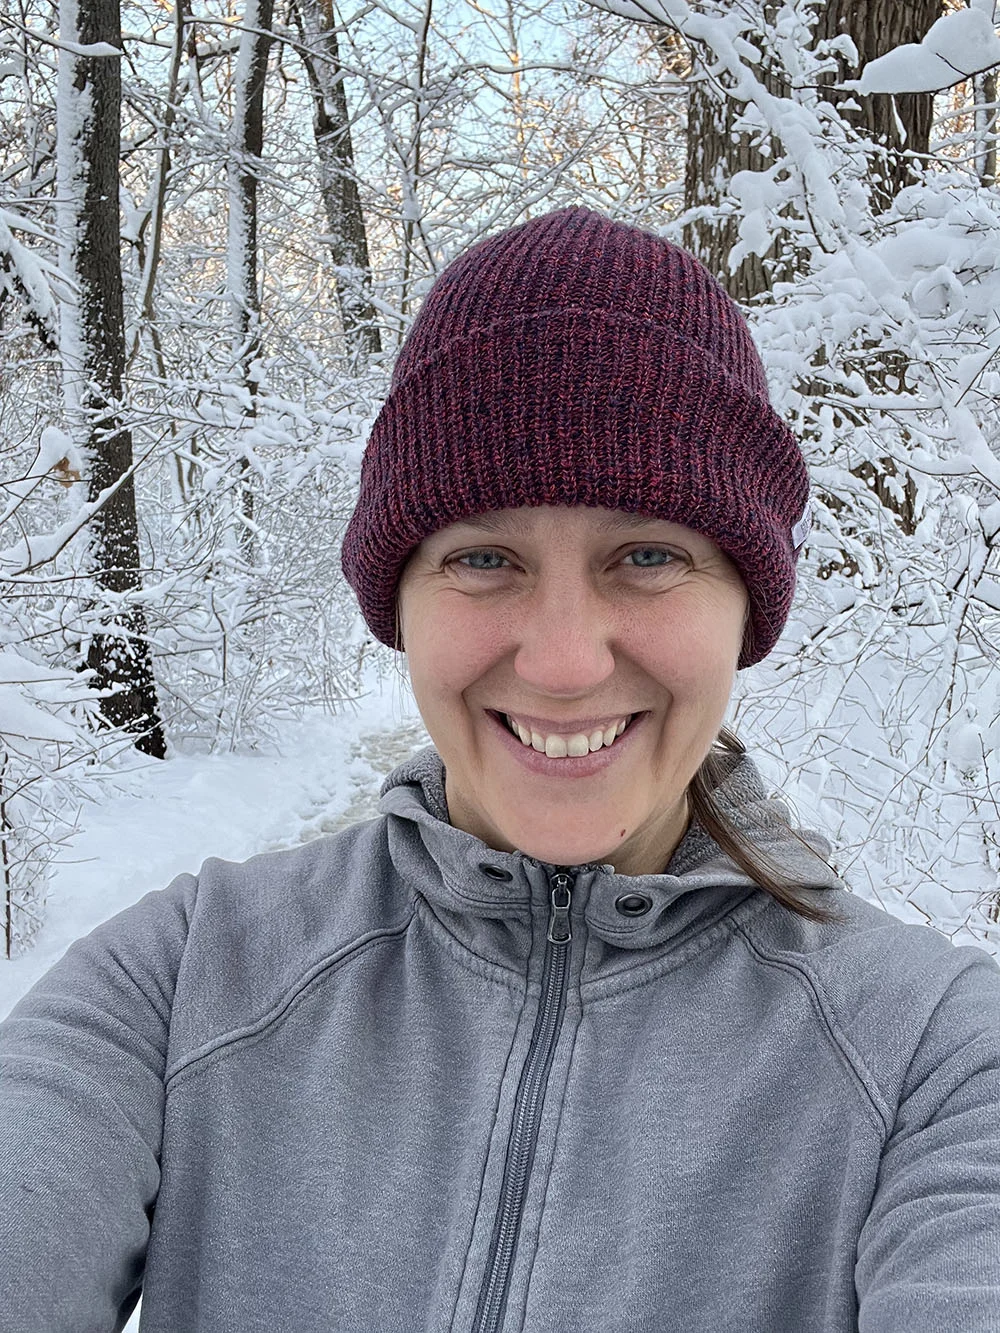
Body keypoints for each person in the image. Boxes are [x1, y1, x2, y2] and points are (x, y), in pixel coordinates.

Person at [1, 206, 999, 1333]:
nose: (565, 663)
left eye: (648, 555)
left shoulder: (934, 1058)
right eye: (484, 558)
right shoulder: (184, 982)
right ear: (400, 600)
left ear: (746, 605)